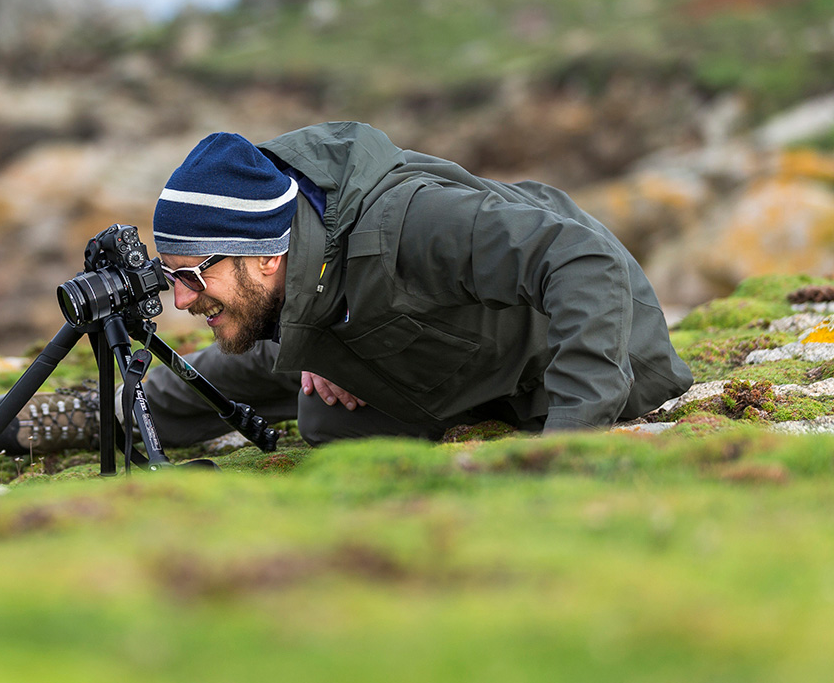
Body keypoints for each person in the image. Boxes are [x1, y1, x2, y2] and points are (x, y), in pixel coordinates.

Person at [138, 122, 692, 445]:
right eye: (171, 276)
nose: (181, 299)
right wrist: (325, 342)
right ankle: (117, 413)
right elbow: (258, 352)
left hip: (588, 353)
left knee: (313, 392)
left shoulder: (408, 225)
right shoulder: (293, 267)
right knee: (286, 370)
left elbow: (583, 260)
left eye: (192, 274)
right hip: (454, 357)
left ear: (265, 257)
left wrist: (569, 446)